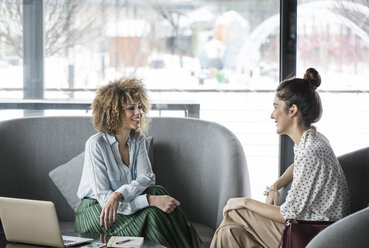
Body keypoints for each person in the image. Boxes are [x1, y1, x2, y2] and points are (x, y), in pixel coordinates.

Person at [210, 68, 350, 248]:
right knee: (229, 233)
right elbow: (298, 167)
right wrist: (276, 185)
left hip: (315, 235)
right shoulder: (311, 140)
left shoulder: (311, 151)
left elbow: (288, 213)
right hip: (312, 229)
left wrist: (244, 200)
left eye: (276, 107)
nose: (272, 114)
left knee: (236, 211)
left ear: (292, 110)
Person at [75, 78, 204, 248]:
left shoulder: (138, 140)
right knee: (153, 213)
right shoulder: (96, 144)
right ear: (113, 112)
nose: (139, 112)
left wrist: (119, 194)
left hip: (120, 201)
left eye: (140, 106)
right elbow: (105, 199)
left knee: (157, 190)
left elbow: (148, 177)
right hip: (98, 211)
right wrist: (149, 200)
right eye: (131, 108)